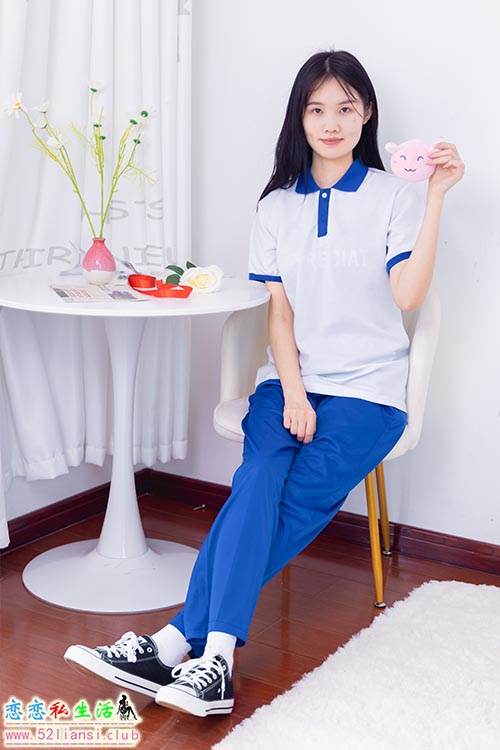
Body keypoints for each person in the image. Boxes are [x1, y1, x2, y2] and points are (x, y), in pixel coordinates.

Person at [64, 48, 464, 718]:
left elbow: (408, 295)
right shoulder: (276, 206)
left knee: (294, 498)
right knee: (257, 478)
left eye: (345, 108)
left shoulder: (396, 196)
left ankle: (180, 643)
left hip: (369, 394)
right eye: (316, 108)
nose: (331, 122)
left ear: (367, 114)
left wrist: (437, 199)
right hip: (290, 382)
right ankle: (212, 662)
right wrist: (296, 393)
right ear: (299, 118)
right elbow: (280, 313)